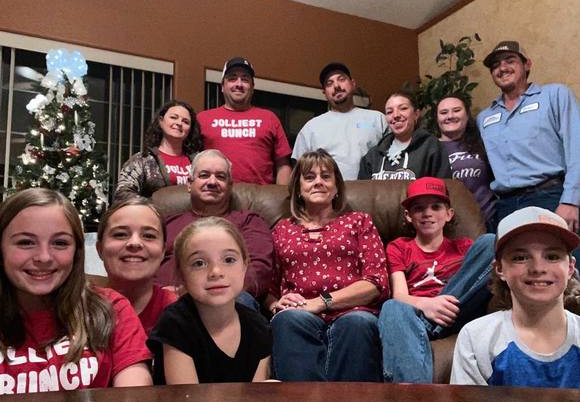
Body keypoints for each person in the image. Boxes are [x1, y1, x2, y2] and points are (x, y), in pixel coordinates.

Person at [0, 189, 152, 394]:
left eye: (60, 243)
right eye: (25, 242)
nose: (44, 257)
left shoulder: (112, 308)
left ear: (76, 251)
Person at [267, 149, 388, 381]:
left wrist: (321, 302)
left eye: (326, 176)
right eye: (309, 177)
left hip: (353, 311)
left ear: (336, 187)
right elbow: (269, 284)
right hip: (299, 312)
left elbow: (376, 283)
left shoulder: (359, 221)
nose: (318, 182)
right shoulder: (282, 229)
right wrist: (274, 304)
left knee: (358, 324)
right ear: (298, 188)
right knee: (287, 320)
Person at [378, 177, 494, 383]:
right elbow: (399, 295)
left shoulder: (464, 246)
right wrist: (427, 305)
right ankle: (414, 396)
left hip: (455, 311)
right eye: (419, 208)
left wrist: (442, 304)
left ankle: (436, 323)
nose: (428, 213)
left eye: (436, 207)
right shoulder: (399, 247)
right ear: (408, 216)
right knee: (391, 307)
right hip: (417, 318)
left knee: (489, 242)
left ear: (449, 214)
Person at [451, 207, 580, 388]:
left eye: (552, 256)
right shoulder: (477, 337)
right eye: (520, 258)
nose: (538, 268)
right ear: (499, 268)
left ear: (570, 267)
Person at [148, 217, 272, 384]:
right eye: (199, 263)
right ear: (182, 274)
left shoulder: (259, 326)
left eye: (229, 260)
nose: (216, 272)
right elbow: (186, 396)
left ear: (244, 266)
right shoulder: (175, 322)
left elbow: (256, 394)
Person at [477, 40, 580, 233]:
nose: (502, 68)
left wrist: (571, 201)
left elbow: (577, 149)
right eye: (495, 65)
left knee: (560, 253)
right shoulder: (484, 117)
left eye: (510, 61)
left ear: (527, 64)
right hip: (505, 207)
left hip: (551, 197)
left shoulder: (555, 95)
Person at [156, 150, 273, 309]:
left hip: (228, 301)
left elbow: (258, 271)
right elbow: (147, 265)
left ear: (230, 186)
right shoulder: (167, 224)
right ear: (189, 184)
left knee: (240, 299)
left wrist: (194, 291)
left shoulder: (249, 221)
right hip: (165, 304)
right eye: (204, 175)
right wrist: (161, 294)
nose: (212, 182)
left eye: (220, 176)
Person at [197, 57, 292, 185]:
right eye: (232, 78)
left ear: (252, 88)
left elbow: (283, 164)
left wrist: (281, 195)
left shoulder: (269, 118)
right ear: (222, 86)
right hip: (215, 191)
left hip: (259, 195)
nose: (239, 84)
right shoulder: (203, 119)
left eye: (245, 79)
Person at [97, 197, 177, 335]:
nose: (135, 243)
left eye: (149, 236)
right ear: (100, 249)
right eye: (120, 234)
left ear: (163, 251)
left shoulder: (181, 312)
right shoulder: (77, 310)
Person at [293, 63, 386, 180]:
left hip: (372, 189)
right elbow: (300, 173)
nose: (336, 86)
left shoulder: (377, 119)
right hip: (328, 190)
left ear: (353, 84)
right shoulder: (311, 128)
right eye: (329, 83)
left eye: (341, 79)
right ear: (325, 93)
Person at [114, 100, 203, 200]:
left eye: (185, 121)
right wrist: (150, 205)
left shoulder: (199, 161)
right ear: (161, 121)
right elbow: (123, 192)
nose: (179, 123)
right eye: (173, 117)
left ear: (190, 129)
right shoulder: (143, 159)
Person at [359, 91, 451, 180]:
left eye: (403, 108)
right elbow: (363, 188)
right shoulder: (373, 155)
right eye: (389, 112)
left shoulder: (432, 147)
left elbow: (443, 185)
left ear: (416, 114)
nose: (396, 115)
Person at [436, 94, 496, 230]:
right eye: (443, 112)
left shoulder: (483, 143)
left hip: (487, 220)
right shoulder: (431, 149)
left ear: (467, 115)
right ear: (437, 118)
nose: (450, 116)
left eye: (456, 110)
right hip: (449, 224)